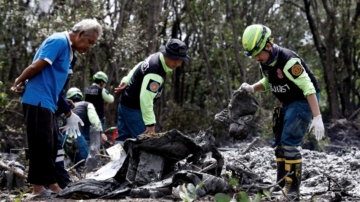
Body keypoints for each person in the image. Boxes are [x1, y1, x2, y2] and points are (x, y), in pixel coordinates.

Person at [10, 19, 102, 196]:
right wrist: (19, 80)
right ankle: (38, 189)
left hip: (49, 102)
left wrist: (65, 104)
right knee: (41, 145)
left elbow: (56, 83)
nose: (89, 47)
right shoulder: (58, 41)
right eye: (90, 42)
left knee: (52, 146)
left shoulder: (70, 53)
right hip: (37, 99)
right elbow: (37, 66)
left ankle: (52, 185)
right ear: (81, 34)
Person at [240, 24, 325, 198]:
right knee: (279, 144)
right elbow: (268, 81)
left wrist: (317, 117)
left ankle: (293, 189)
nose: (256, 59)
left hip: (303, 100)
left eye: (258, 55)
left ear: (268, 46)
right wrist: (251, 88)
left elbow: (308, 88)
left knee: (289, 143)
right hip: (286, 101)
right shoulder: (265, 62)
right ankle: (281, 184)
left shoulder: (289, 61)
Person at [114, 38, 190, 141]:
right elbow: (145, 99)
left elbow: (140, 64)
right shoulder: (155, 73)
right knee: (144, 144)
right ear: (166, 55)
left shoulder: (156, 56)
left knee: (122, 142)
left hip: (124, 104)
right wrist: (150, 124)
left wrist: (126, 80)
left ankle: (114, 157)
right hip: (134, 110)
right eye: (175, 59)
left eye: (180, 60)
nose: (177, 63)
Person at [61, 87, 107, 172]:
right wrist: (101, 132)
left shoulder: (66, 110)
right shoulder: (87, 104)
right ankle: (83, 184)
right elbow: (94, 119)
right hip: (75, 135)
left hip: (63, 138)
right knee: (86, 165)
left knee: (77, 164)